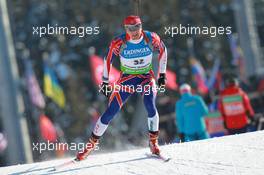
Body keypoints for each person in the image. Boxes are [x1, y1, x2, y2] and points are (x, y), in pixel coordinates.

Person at [75, 15, 167, 161]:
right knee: (111, 111)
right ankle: (89, 147)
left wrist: (162, 74)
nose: (134, 31)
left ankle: (153, 143)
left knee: (150, 105)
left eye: (136, 27)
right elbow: (108, 60)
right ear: (126, 29)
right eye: (130, 29)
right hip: (127, 80)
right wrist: (105, 82)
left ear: (141, 26)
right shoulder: (119, 42)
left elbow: (163, 50)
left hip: (146, 77)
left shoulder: (151, 38)